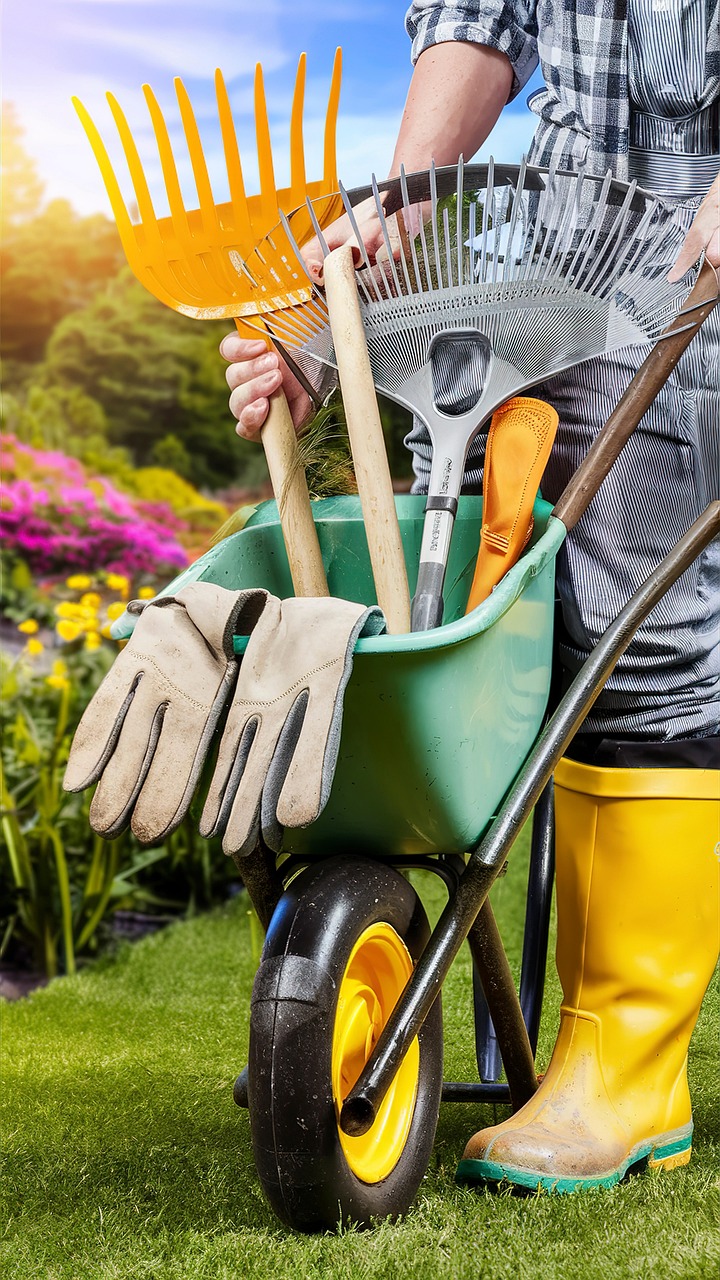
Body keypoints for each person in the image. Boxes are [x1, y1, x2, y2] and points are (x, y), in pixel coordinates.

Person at [220, 1, 720, 1193]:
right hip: (579, 248)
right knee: (612, 623)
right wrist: (401, 211)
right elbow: (483, 17)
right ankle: (622, 1056)